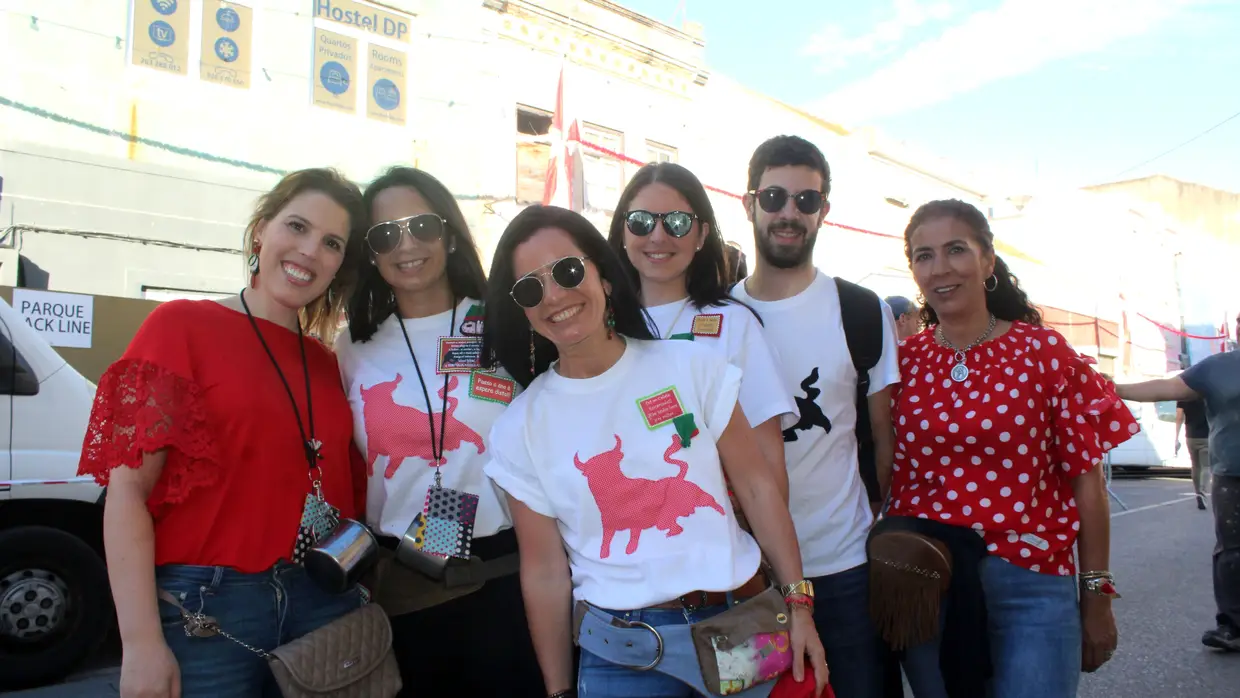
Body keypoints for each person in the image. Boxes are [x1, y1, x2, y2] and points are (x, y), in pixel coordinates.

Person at [480, 205, 829, 698]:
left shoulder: (693, 366)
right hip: (621, 659)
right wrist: (558, 691)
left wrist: (799, 605)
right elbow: (544, 570)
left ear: (602, 276)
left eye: (568, 270)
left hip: (743, 624)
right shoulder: (519, 427)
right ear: (521, 310)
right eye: (531, 288)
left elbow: (756, 488)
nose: (555, 294)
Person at [77, 168, 369, 697]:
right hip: (207, 609)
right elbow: (126, 492)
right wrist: (141, 643)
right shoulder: (180, 327)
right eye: (297, 227)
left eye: (331, 243)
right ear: (261, 230)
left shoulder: (327, 364)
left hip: (324, 600)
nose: (309, 251)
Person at [882, 199, 1130, 697]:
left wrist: (1096, 594)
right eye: (923, 255)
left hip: (1032, 582)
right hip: (928, 582)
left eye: (956, 249)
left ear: (988, 260)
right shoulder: (902, 364)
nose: (941, 268)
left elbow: (1087, 482)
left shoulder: (1043, 353)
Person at [335, 167, 543, 696]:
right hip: (402, 586)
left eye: (422, 226)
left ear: (449, 234)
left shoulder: (510, 324)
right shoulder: (352, 347)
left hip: (504, 577)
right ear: (370, 253)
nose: (406, 245)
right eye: (385, 234)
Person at [730, 135, 898, 698]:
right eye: (774, 196)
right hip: (746, 575)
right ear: (748, 202)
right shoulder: (716, 319)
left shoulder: (859, 310)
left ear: (824, 212)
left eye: (806, 200)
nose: (788, 213)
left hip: (844, 568)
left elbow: (883, 439)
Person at [607, 161, 796, 505]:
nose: (658, 236)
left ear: (702, 235)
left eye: (677, 223)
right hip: (624, 536)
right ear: (622, 232)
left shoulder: (735, 325)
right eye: (641, 222)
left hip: (710, 534)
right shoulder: (599, 327)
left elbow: (768, 461)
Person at [1116, 350, 1240, 651]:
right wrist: (1111, 387)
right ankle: (1234, 627)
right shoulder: (1218, 367)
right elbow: (1167, 387)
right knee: (1232, 551)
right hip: (1232, 475)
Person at [1175, 398, 1211, 509]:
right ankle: (1202, 492)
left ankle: (1197, 492)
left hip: (1191, 436)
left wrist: (1176, 438)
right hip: (1207, 436)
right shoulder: (1207, 394)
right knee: (1206, 466)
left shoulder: (1183, 396)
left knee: (1195, 466)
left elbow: (1179, 416)